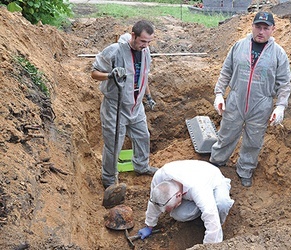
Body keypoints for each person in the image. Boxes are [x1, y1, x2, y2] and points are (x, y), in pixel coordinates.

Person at [210, 12, 291, 187]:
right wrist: (219, 93)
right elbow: (226, 71)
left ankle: (245, 170)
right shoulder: (239, 46)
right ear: (252, 26)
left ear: (273, 29)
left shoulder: (278, 54)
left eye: (265, 28)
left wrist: (280, 106)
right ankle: (216, 163)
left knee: (253, 142)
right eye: (258, 27)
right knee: (226, 135)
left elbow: (284, 83)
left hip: (261, 105)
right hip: (235, 100)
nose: (261, 31)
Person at [91, 20, 158, 189]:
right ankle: (109, 179)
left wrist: (148, 97)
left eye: (149, 42)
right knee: (114, 144)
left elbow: (144, 75)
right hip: (116, 106)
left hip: (136, 105)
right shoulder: (114, 51)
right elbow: (94, 73)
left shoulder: (145, 52)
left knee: (143, 137)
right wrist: (110, 75)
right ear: (133, 35)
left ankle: (142, 166)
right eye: (143, 41)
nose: (145, 45)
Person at [137, 160, 234, 243]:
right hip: (195, 191)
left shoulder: (198, 189)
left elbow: (211, 215)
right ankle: (201, 210)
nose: (171, 210)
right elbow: (155, 201)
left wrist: (210, 246)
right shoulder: (159, 177)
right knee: (179, 214)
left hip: (213, 180)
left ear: (179, 195)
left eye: (173, 206)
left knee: (222, 204)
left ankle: (220, 222)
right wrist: (149, 225)